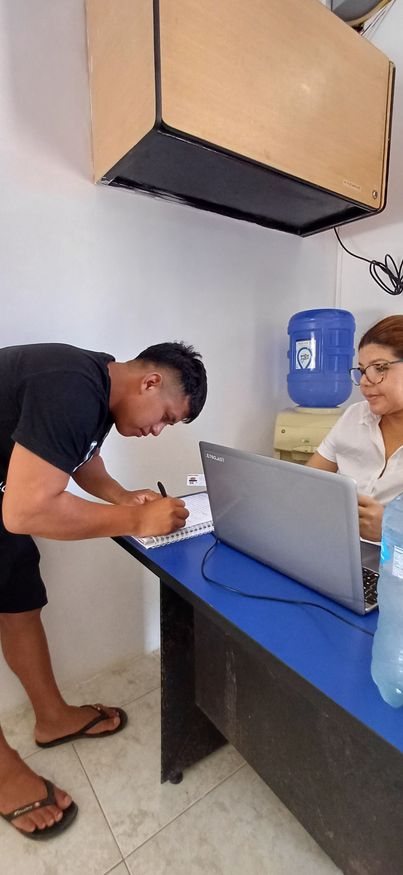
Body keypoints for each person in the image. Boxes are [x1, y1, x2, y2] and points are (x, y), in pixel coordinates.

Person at [0, 340, 207, 839]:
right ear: (151, 382)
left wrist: (120, 496)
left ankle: (52, 717)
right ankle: (3, 775)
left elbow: (74, 453)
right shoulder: (71, 384)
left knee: (19, 605)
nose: (157, 431)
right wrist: (135, 519)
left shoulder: (97, 384)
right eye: (166, 418)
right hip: (11, 503)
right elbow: (26, 510)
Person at [308, 315, 403, 543]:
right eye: (362, 371)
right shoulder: (355, 416)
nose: (365, 381)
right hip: (338, 545)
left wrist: (392, 530)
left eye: (380, 368)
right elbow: (307, 483)